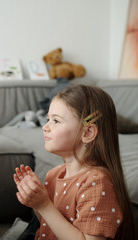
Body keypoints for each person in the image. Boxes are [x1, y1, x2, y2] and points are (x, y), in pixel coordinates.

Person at [13, 85, 136, 239]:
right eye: (47, 119)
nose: (45, 127)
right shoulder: (54, 174)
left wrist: (44, 205)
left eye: (56, 121)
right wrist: (36, 201)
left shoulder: (96, 182)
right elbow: (48, 226)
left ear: (88, 132)